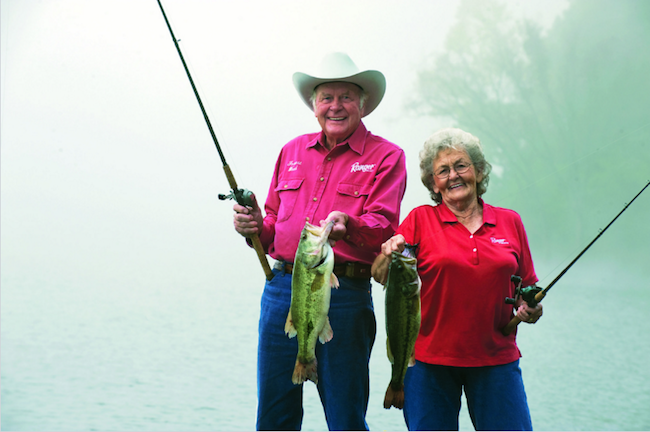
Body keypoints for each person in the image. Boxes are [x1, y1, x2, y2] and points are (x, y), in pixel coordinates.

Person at [232, 52, 407, 431]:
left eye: (346, 96)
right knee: (274, 416)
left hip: (345, 293)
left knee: (345, 416)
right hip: (281, 288)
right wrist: (254, 228)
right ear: (314, 106)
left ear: (362, 104)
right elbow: (273, 225)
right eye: (327, 97)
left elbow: (383, 226)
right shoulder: (291, 151)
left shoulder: (387, 156)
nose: (336, 106)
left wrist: (349, 224)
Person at [371, 128, 543, 431]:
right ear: (433, 183)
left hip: (496, 361)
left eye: (461, 165)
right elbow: (380, 273)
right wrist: (388, 252)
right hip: (427, 363)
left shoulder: (509, 221)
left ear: (478, 171)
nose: (454, 175)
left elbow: (526, 289)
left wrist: (530, 310)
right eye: (443, 171)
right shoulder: (419, 220)